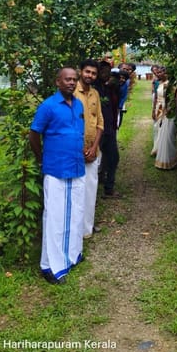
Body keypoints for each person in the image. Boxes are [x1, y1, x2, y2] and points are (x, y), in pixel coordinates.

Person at [29, 67, 85, 284]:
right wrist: (41, 158)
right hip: (55, 168)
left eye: (74, 80)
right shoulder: (48, 106)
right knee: (54, 217)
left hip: (77, 167)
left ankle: (71, 255)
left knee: (75, 212)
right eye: (67, 79)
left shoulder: (78, 104)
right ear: (58, 82)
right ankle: (49, 265)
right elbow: (34, 134)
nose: (72, 83)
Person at [75, 59, 104, 239]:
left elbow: (100, 122)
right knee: (76, 190)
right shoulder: (72, 93)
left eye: (93, 73)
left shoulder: (95, 94)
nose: (90, 76)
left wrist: (94, 148)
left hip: (93, 151)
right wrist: (81, 150)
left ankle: (87, 228)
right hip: (75, 152)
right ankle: (75, 229)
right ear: (80, 71)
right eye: (87, 72)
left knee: (90, 190)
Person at [95, 61, 122, 199]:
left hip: (109, 128)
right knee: (94, 160)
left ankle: (108, 188)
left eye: (108, 71)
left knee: (113, 157)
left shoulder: (108, 88)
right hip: (96, 130)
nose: (106, 74)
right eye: (103, 72)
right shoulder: (94, 89)